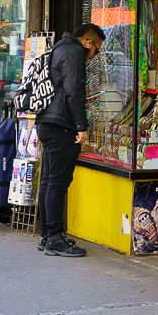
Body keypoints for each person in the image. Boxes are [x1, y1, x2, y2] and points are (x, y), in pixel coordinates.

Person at [36, 23, 105, 257]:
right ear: (88, 43)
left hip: (46, 121)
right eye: (97, 50)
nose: (95, 55)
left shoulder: (59, 48)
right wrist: (82, 127)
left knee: (48, 180)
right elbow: (75, 91)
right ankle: (54, 238)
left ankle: (47, 235)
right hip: (60, 124)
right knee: (57, 182)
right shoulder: (75, 52)